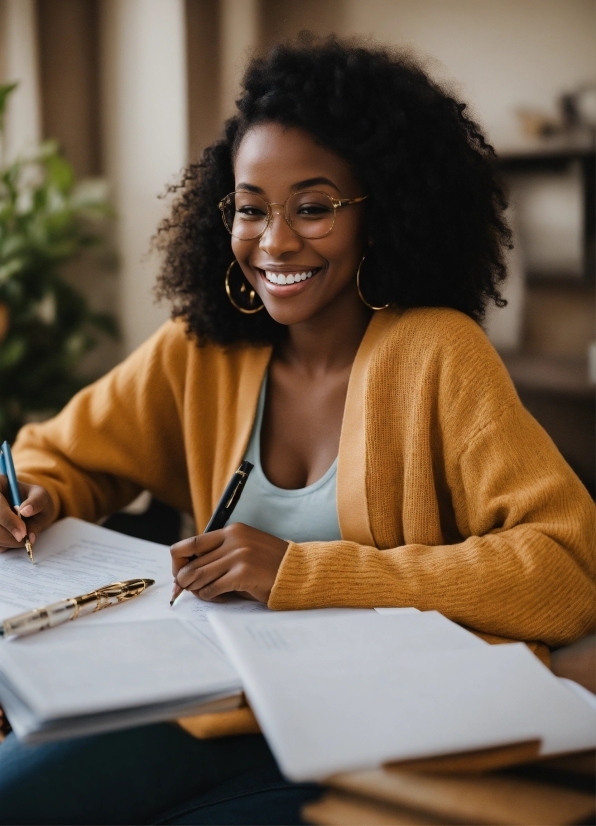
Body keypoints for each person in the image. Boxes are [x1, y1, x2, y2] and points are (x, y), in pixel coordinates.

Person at [0, 33, 593, 825]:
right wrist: (32, 492)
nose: (274, 241)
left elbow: (561, 569)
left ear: (381, 211)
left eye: (313, 208)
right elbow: (58, 454)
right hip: (205, 705)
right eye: (251, 208)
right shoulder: (199, 351)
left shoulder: (438, 353)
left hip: (382, 734)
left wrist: (303, 572)